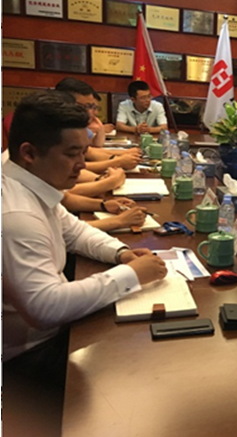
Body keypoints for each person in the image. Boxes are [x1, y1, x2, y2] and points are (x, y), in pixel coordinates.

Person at [2, 91, 167, 378]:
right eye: (71, 154)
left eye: (83, 152)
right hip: (27, 355)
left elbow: (75, 232)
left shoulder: (31, 182)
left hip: (50, 333)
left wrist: (122, 254)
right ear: (29, 153)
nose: (81, 164)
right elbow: (45, 308)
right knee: (145, 362)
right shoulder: (17, 216)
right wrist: (132, 275)